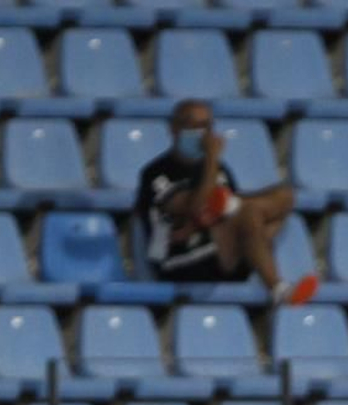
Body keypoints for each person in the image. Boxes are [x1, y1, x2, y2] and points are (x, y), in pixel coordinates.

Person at [135, 99, 318, 305]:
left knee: (283, 197)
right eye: (193, 125)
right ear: (174, 128)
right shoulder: (155, 174)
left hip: (220, 252)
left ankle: (256, 253)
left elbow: (228, 213)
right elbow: (193, 206)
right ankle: (279, 289)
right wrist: (212, 157)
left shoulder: (219, 169)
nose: (202, 133)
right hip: (178, 263)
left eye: (207, 126)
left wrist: (213, 213)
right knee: (248, 213)